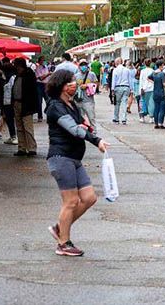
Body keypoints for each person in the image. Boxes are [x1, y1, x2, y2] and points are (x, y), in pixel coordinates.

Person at [44, 69, 110, 256]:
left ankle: (60, 228)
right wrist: (96, 140)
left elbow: (84, 125)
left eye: (74, 81)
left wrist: (84, 126)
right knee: (71, 201)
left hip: (74, 158)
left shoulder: (71, 104)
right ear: (62, 86)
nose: (74, 85)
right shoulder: (55, 106)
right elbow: (75, 129)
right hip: (61, 158)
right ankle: (63, 244)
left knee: (89, 198)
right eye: (70, 82)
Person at [12, 58, 38, 157]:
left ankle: (31, 148)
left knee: (27, 127)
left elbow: (32, 92)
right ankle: (22, 148)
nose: (16, 68)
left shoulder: (28, 75)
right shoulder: (18, 76)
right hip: (17, 103)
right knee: (19, 127)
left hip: (26, 105)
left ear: (20, 66)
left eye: (17, 66)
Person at [74, 59, 98, 132]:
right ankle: (82, 133)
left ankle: (94, 132)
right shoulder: (76, 76)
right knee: (80, 119)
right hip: (78, 100)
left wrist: (87, 85)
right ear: (79, 66)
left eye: (85, 64)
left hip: (89, 100)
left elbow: (96, 84)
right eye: (81, 65)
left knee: (91, 118)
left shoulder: (92, 74)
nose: (83, 66)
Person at [0, 58, 17, 145]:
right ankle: (12, 136)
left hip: (10, 102)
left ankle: (14, 136)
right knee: (9, 120)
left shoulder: (11, 78)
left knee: (10, 119)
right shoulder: (8, 78)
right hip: (7, 102)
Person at [149, 60, 165, 129]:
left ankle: (156, 123)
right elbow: (164, 84)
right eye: (163, 65)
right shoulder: (162, 74)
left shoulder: (154, 73)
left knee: (156, 108)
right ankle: (160, 123)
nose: (164, 66)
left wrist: (154, 82)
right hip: (162, 93)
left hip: (155, 93)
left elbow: (148, 78)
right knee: (162, 109)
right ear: (160, 66)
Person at [110, 58, 130, 125]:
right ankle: (124, 119)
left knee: (117, 103)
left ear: (117, 62)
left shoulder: (115, 70)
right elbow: (129, 80)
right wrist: (131, 89)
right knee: (124, 103)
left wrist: (112, 89)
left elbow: (114, 80)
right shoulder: (127, 70)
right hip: (126, 87)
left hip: (118, 87)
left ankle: (116, 118)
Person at [138, 58, 155, 124]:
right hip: (151, 88)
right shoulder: (153, 71)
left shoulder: (142, 71)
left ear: (144, 63)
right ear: (150, 63)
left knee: (143, 103)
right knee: (151, 103)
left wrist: (141, 89)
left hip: (144, 89)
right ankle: (151, 117)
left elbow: (141, 80)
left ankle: (142, 117)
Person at [34, 56, 50, 121]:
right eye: (42, 60)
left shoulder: (46, 67)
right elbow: (41, 78)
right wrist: (48, 74)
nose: (44, 61)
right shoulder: (37, 68)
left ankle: (49, 115)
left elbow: (47, 78)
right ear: (39, 61)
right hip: (39, 85)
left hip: (46, 85)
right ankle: (40, 116)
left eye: (44, 60)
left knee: (48, 100)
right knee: (39, 101)